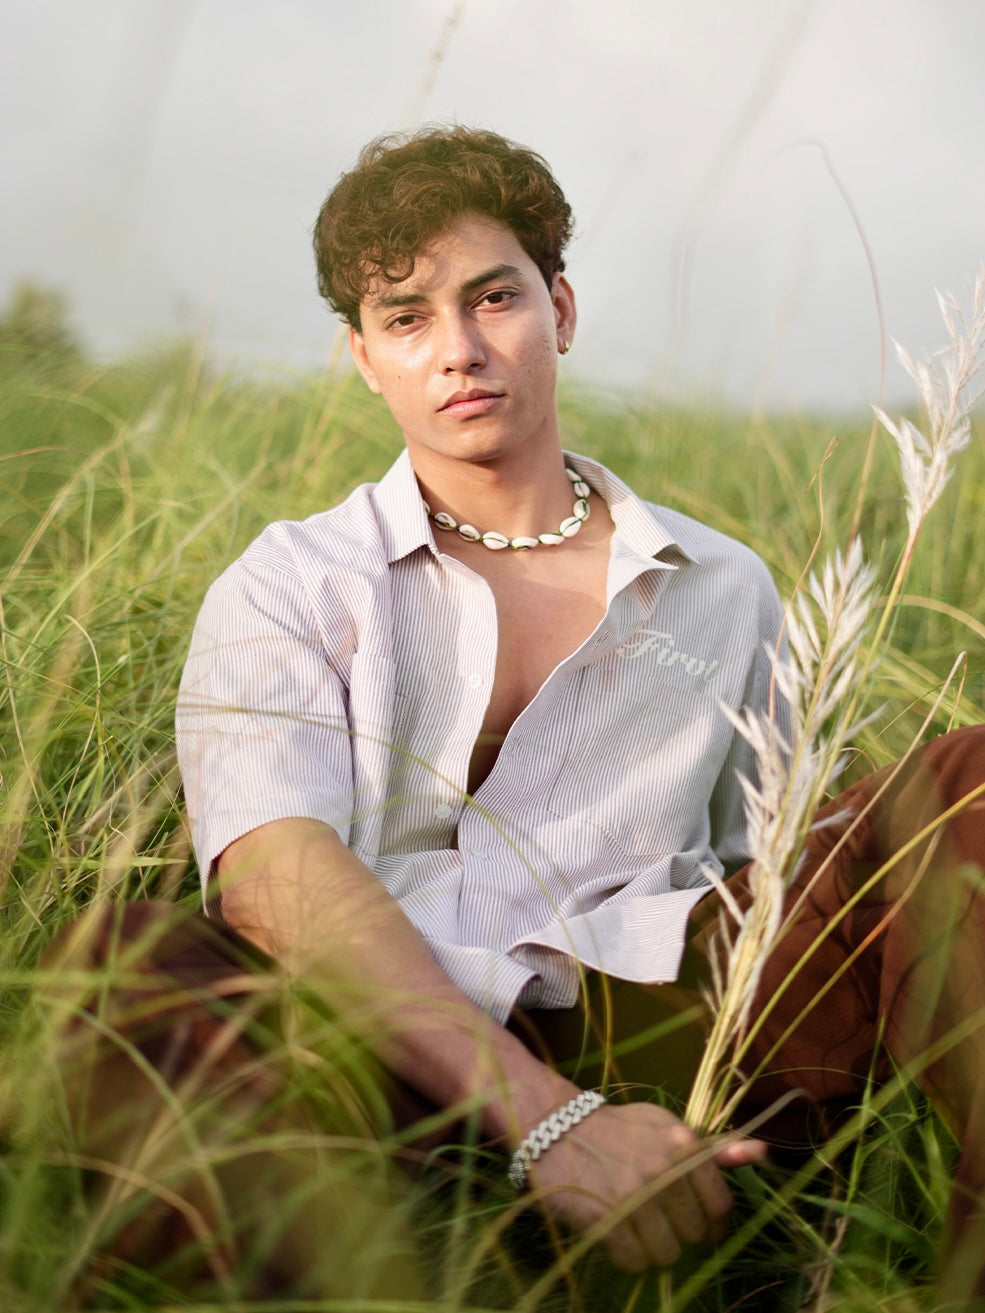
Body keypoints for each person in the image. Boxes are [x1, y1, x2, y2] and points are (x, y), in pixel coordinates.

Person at [172, 125, 985, 1289]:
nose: (457, 349)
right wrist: (547, 1117)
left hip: (677, 1025)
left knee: (968, 782)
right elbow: (268, 870)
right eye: (406, 318)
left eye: (491, 296)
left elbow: (781, 856)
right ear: (364, 357)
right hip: (388, 1046)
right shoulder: (290, 581)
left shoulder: (720, 582)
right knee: (134, 959)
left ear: (558, 307)